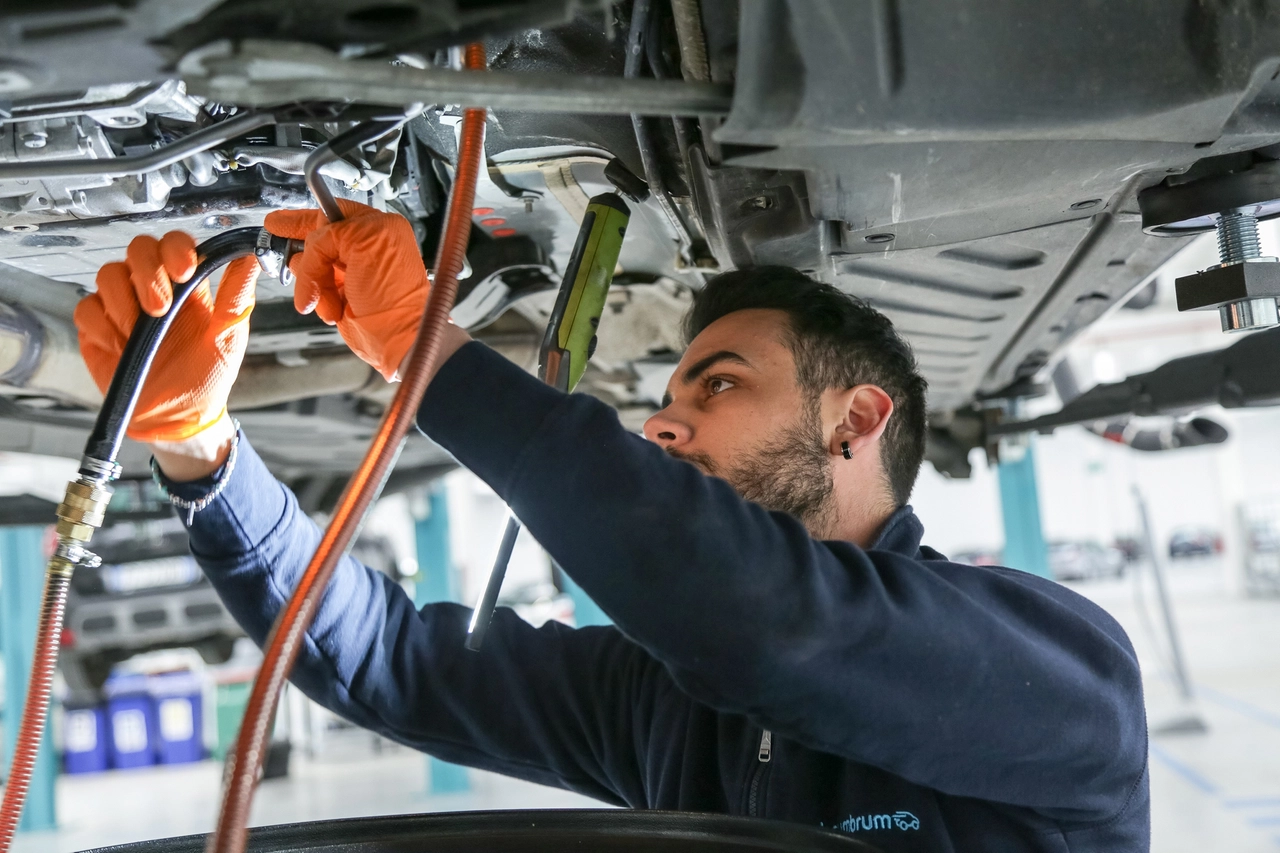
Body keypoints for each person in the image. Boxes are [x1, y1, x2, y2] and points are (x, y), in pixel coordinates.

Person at [75, 202, 1149, 852]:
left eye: (717, 384)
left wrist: (432, 354)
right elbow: (390, 661)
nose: (662, 419)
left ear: (855, 421)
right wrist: (199, 449)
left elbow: (774, 626)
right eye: (673, 390)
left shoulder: (1059, 671)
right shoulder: (664, 703)